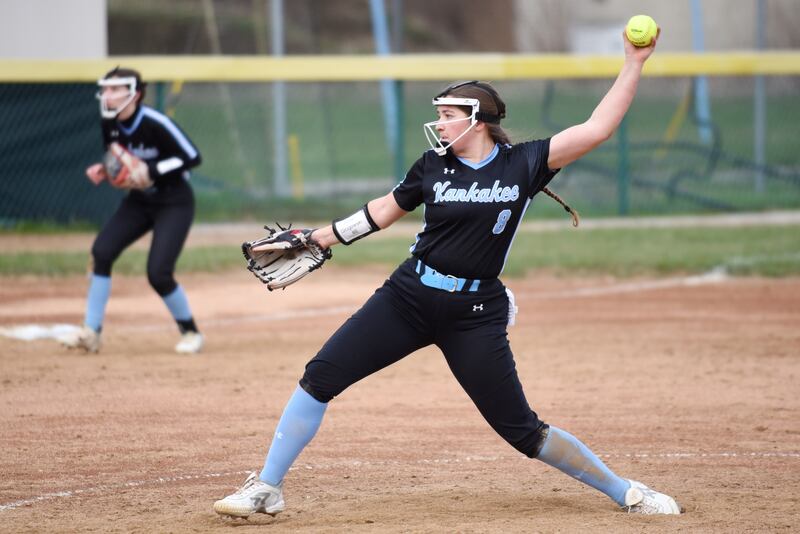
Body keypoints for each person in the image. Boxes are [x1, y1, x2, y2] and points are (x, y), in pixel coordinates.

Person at [214, 30, 680, 517]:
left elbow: (598, 128)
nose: (438, 124)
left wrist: (633, 62)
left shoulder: (525, 163)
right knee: (320, 376)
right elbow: (381, 211)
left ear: (477, 120)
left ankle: (625, 490)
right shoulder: (432, 166)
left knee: (520, 429)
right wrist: (320, 237)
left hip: (473, 314)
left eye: (447, 115)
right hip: (407, 297)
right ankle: (266, 489)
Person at [60, 67, 204, 355]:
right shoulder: (109, 122)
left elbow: (192, 156)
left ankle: (190, 331)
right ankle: (91, 332)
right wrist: (105, 170)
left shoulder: (154, 121)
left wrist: (152, 169)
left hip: (174, 200)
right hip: (140, 201)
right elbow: (117, 160)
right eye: (106, 89)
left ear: (135, 94)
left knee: (158, 273)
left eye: (115, 89)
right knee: (101, 252)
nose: (108, 95)